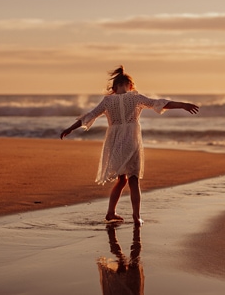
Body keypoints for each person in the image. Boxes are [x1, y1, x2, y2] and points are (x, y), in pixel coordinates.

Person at [60, 66, 199, 226]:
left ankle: (111, 211)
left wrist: (70, 128)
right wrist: (183, 105)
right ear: (131, 85)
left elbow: (89, 115)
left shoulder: (107, 101)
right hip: (132, 141)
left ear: (113, 88)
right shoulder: (135, 97)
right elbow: (159, 103)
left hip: (115, 142)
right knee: (133, 179)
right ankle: (136, 216)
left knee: (121, 179)